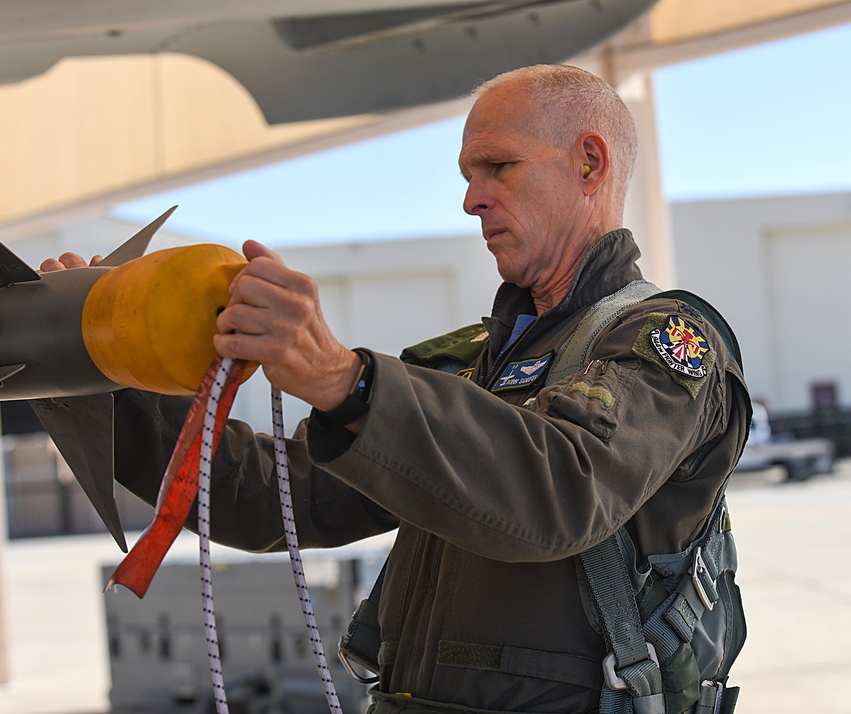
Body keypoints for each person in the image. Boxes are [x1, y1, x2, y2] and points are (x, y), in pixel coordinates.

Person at [44, 64, 750, 713]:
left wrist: (344, 382)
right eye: (468, 175)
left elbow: (561, 492)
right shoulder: (470, 367)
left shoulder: (667, 342)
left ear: (589, 163)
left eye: (498, 167)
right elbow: (269, 496)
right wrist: (106, 379)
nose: (473, 199)